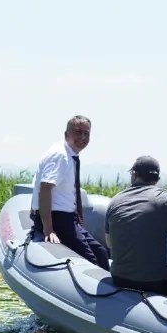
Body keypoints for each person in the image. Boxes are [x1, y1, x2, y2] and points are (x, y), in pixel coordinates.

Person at [104, 156, 167, 296]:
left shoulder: (115, 200)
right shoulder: (165, 197)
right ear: (157, 179)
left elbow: (110, 243)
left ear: (134, 175)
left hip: (119, 278)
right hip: (154, 282)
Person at [29, 115, 110, 269]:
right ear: (66, 134)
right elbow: (45, 189)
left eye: (86, 133)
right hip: (57, 219)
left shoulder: (69, 154)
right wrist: (48, 228)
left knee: (101, 252)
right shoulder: (60, 156)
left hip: (68, 218)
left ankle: (115, 291)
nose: (83, 137)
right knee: (90, 262)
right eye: (78, 132)